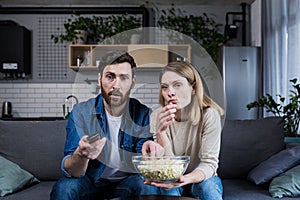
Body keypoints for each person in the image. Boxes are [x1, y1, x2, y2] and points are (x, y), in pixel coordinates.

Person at [50, 51, 163, 200]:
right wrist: (81, 155)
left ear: (133, 82)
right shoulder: (81, 112)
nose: (116, 85)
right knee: (65, 187)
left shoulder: (143, 114)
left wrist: (149, 156)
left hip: (128, 182)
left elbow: (141, 166)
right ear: (99, 79)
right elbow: (72, 171)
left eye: (124, 78)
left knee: (147, 186)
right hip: (90, 181)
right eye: (110, 77)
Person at [144, 60, 224, 199]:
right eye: (165, 87)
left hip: (201, 177)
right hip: (171, 177)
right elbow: (168, 167)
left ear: (193, 88)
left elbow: (209, 164)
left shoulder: (209, 115)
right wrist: (161, 132)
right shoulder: (157, 116)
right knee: (168, 190)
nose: (170, 92)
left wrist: (185, 179)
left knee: (208, 188)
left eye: (177, 85)